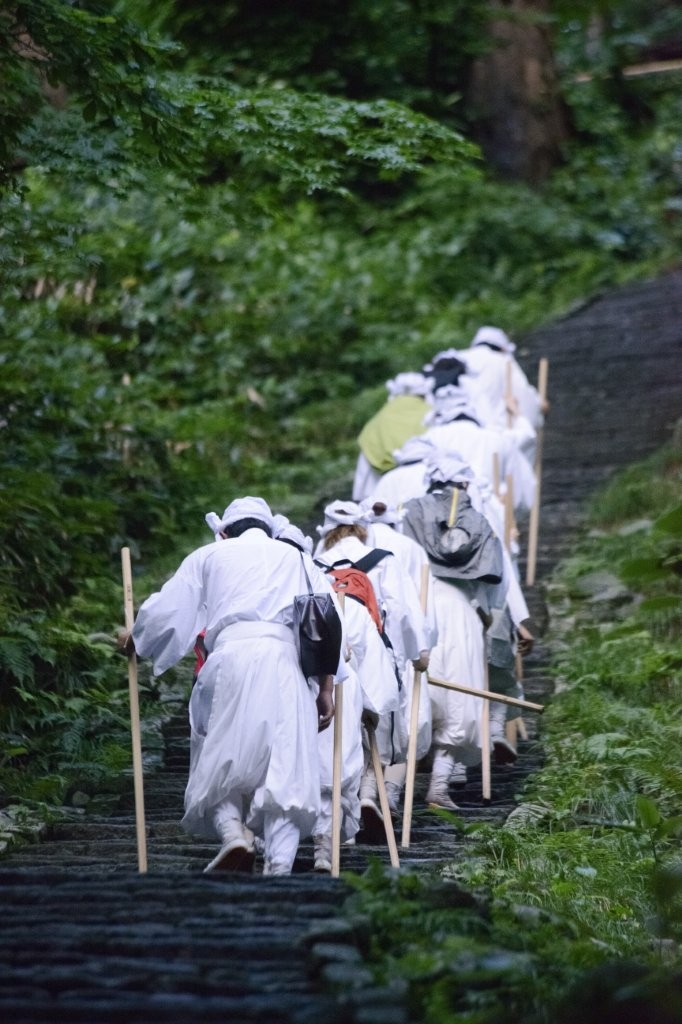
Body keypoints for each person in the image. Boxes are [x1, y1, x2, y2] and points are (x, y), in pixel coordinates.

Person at [122, 496, 337, 877]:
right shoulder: (299, 559)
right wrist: (326, 687)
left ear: (224, 531)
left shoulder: (208, 556)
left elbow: (171, 610)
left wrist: (137, 639)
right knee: (286, 765)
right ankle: (280, 868)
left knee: (216, 748)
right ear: (270, 530)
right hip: (285, 663)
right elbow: (327, 622)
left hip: (229, 659)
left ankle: (232, 833)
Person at [401, 457, 504, 810]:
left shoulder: (410, 513)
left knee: (412, 694)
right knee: (460, 698)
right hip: (462, 609)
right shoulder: (478, 520)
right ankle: (439, 785)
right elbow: (493, 584)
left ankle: (391, 789)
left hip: (418, 602)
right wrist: (488, 615)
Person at [352, 372, 432, 501]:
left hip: (385, 488)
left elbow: (364, 478)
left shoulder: (378, 419)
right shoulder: (432, 413)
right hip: (426, 483)